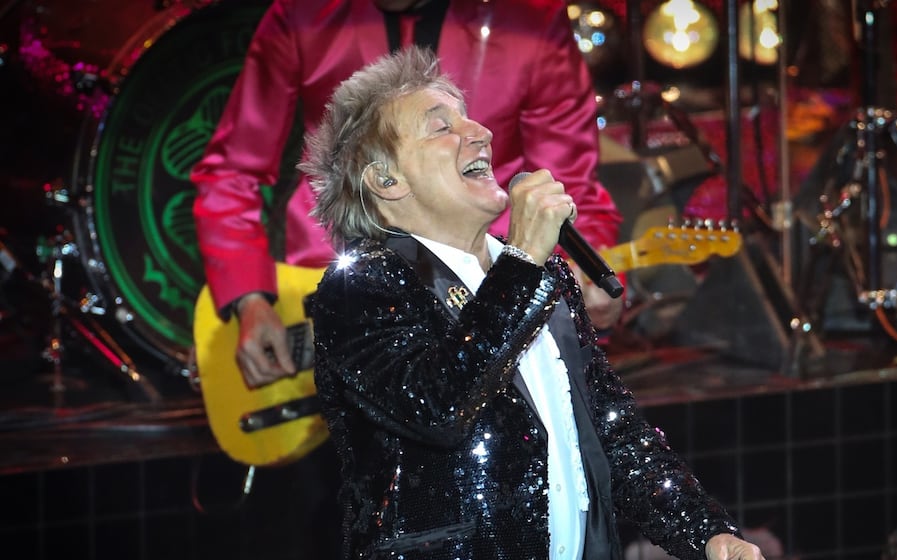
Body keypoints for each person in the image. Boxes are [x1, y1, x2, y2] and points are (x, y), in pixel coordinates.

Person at [302, 45, 766, 560]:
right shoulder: (360, 288)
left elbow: (612, 429)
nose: (481, 133)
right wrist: (521, 262)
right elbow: (438, 407)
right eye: (440, 128)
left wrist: (704, 531)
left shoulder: (544, 277)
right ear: (386, 181)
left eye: (469, 118)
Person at [190, 0, 624, 390]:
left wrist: (586, 270)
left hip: (489, 291)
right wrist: (249, 297)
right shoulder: (301, 14)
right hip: (331, 290)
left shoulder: (530, 20)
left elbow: (567, 183)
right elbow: (232, 171)